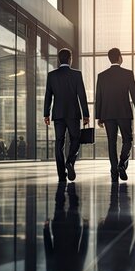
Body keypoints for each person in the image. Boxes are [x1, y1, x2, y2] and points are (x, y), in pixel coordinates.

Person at [95, 48, 135, 182]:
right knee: (127, 140)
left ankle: (114, 172)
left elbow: (98, 97)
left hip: (108, 114)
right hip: (124, 113)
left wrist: (98, 116)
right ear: (120, 58)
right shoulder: (127, 74)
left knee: (112, 143)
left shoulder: (102, 76)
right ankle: (122, 163)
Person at [44, 48, 90, 182]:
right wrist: (85, 114)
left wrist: (46, 114)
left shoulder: (52, 75)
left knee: (59, 142)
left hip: (58, 114)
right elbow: (82, 95)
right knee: (75, 139)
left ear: (59, 60)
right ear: (70, 59)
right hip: (73, 113)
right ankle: (70, 161)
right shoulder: (76, 75)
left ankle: (61, 174)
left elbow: (48, 96)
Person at [41, 182, 89, 271]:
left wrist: (85, 228)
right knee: (59, 204)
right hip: (59, 231)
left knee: (73, 205)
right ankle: (62, 184)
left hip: (73, 230)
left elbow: (83, 247)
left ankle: (71, 184)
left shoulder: (77, 268)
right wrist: (46, 229)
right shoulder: (53, 268)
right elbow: (48, 247)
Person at [97, 183, 135, 271]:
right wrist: (100, 229)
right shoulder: (102, 268)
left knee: (125, 205)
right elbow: (99, 247)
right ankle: (115, 179)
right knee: (113, 204)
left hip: (125, 233)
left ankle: (122, 182)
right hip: (109, 232)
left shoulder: (129, 270)